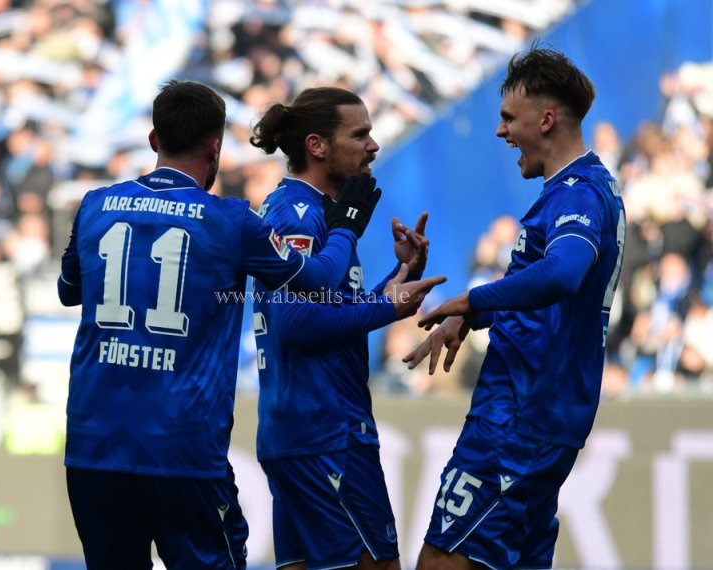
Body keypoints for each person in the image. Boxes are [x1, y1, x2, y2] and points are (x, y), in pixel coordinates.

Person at [57, 80, 383, 570]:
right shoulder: (231, 220)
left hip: (93, 450)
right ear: (215, 146)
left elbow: (68, 291)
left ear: (153, 140)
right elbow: (315, 280)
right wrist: (346, 224)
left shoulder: (94, 205)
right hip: (182, 451)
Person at [403, 46, 627, 570]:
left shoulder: (578, 192)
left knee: (440, 561)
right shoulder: (581, 190)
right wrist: (478, 315)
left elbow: (563, 273)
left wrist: (473, 297)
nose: (501, 132)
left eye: (508, 118)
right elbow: (544, 284)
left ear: (546, 119)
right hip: (539, 416)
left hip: (517, 419)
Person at [249, 86, 446, 570]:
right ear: (317, 146)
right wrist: (386, 310)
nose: (373, 146)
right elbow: (295, 321)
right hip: (327, 432)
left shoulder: (319, 215)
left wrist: (398, 280)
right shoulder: (302, 214)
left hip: (301, 430)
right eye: (360, 135)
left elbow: (331, 308)